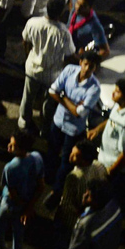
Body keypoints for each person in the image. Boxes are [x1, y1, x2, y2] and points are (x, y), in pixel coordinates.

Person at [0, 131, 45, 249]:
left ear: (21, 149)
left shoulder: (10, 167)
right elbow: (41, 186)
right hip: (25, 204)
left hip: (10, 204)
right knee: (18, 232)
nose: (9, 146)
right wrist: (28, 207)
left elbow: (12, 193)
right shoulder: (37, 158)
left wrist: (21, 206)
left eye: (12, 145)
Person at [46, 50, 102, 188]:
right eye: (86, 64)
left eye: (92, 66)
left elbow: (79, 113)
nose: (87, 69)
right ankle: (47, 178)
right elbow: (52, 91)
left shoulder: (95, 88)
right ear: (80, 63)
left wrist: (63, 96)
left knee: (67, 160)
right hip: (58, 121)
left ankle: (57, 188)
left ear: (95, 68)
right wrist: (72, 105)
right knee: (52, 151)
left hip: (73, 130)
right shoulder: (69, 70)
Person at [19, 0, 75, 134]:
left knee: (28, 97)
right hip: (53, 75)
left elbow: (25, 41)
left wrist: (28, 56)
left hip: (33, 69)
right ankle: (44, 128)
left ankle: (24, 122)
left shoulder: (33, 23)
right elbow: (70, 54)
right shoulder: (63, 32)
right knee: (49, 103)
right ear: (61, 14)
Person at [88, 77, 125, 178]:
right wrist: (97, 129)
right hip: (103, 161)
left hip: (112, 168)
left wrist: (110, 172)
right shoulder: (122, 104)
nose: (113, 93)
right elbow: (112, 119)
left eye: (117, 92)